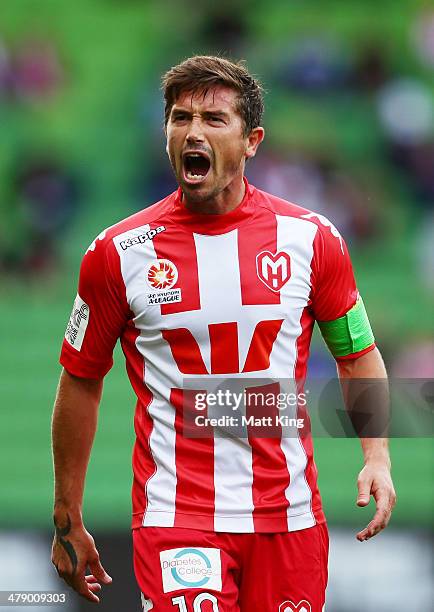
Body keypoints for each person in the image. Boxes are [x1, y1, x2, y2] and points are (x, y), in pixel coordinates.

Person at [51, 55, 396, 611]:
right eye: (180, 117)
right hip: (176, 514)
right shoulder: (117, 254)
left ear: (251, 139)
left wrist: (376, 456)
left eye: (214, 119)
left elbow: (358, 354)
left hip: (288, 517)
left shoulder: (311, 239)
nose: (193, 131)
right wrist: (68, 516)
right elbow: (80, 380)